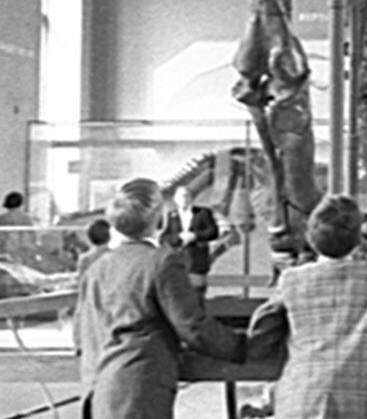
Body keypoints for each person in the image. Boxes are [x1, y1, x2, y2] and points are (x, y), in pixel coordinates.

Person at [73, 177, 244, 419]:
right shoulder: (162, 262)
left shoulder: (96, 266)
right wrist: (241, 346)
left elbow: (81, 331)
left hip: (97, 388)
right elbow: (192, 326)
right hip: (138, 388)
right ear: (160, 220)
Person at [247, 194, 367, 419]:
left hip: (302, 394)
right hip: (361, 397)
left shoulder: (292, 280)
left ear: (310, 237)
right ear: (358, 239)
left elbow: (262, 330)